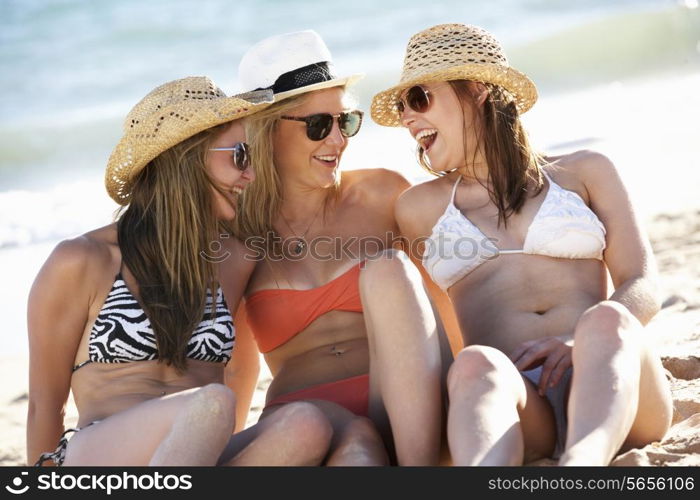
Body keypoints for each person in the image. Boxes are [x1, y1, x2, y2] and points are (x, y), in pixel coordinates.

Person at [371, 24, 673, 466]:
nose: (407, 118)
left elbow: (642, 283)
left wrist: (578, 341)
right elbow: (436, 327)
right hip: (522, 400)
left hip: (612, 378)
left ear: (477, 90)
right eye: (402, 107)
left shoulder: (585, 171)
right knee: (474, 364)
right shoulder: (417, 208)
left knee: (607, 318)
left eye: (418, 98)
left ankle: (582, 464)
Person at [27, 76, 333, 466]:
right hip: (103, 461)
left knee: (306, 423)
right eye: (240, 155)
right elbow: (43, 404)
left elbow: (240, 367)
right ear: (185, 160)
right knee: (212, 403)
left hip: (196, 453)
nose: (251, 174)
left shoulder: (234, 260)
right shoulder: (83, 260)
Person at [230, 30, 446, 466]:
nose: (338, 140)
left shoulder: (384, 195)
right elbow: (237, 367)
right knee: (356, 453)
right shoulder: (235, 229)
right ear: (267, 132)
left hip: (407, 407)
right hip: (305, 422)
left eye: (345, 121)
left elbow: (442, 304)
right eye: (318, 126)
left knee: (390, 269)